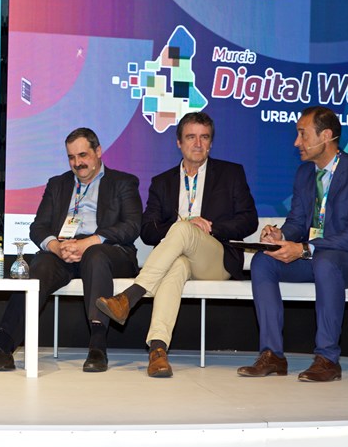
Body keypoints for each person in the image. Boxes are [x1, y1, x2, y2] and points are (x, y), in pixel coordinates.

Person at [96, 112, 258, 377]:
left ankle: (130, 296)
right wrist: (181, 226)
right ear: (179, 143)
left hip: (215, 259)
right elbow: (147, 231)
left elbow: (249, 220)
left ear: (211, 143)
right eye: (191, 137)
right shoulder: (163, 182)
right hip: (177, 258)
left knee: (183, 229)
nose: (198, 143)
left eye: (204, 137)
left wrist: (210, 226)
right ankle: (158, 350)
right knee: (177, 262)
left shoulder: (230, 174)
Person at [0, 127, 142, 372]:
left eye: (83, 155)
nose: (77, 163)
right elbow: (38, 227)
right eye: (71, 157)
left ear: (98, 151)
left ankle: (97, 347)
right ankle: (2, 348)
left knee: (95, 256)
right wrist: (56, 247)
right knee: (40, 266)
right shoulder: (58, 184)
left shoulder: (122, 182)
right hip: (65, 250)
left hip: (107, 251)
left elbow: (131, 226)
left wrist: (87, 243)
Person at [238, 106, 348, 382]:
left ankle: (327, 359)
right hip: (317, 258)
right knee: (263, 261)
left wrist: (305, 249)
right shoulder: (305, 174)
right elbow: (297, 221)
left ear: (326, 136)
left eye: (302, 134)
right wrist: (280, 236)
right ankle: (272, 355)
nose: (296, 142)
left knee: (326, 261)